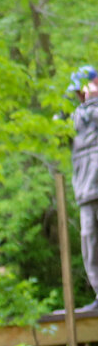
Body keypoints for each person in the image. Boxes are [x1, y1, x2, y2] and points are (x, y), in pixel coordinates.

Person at [68, 65, 98, 312]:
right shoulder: (75, 116)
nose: (80, 95)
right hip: (85, 192)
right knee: (90, 244)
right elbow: (56, 136)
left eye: (82, 89)